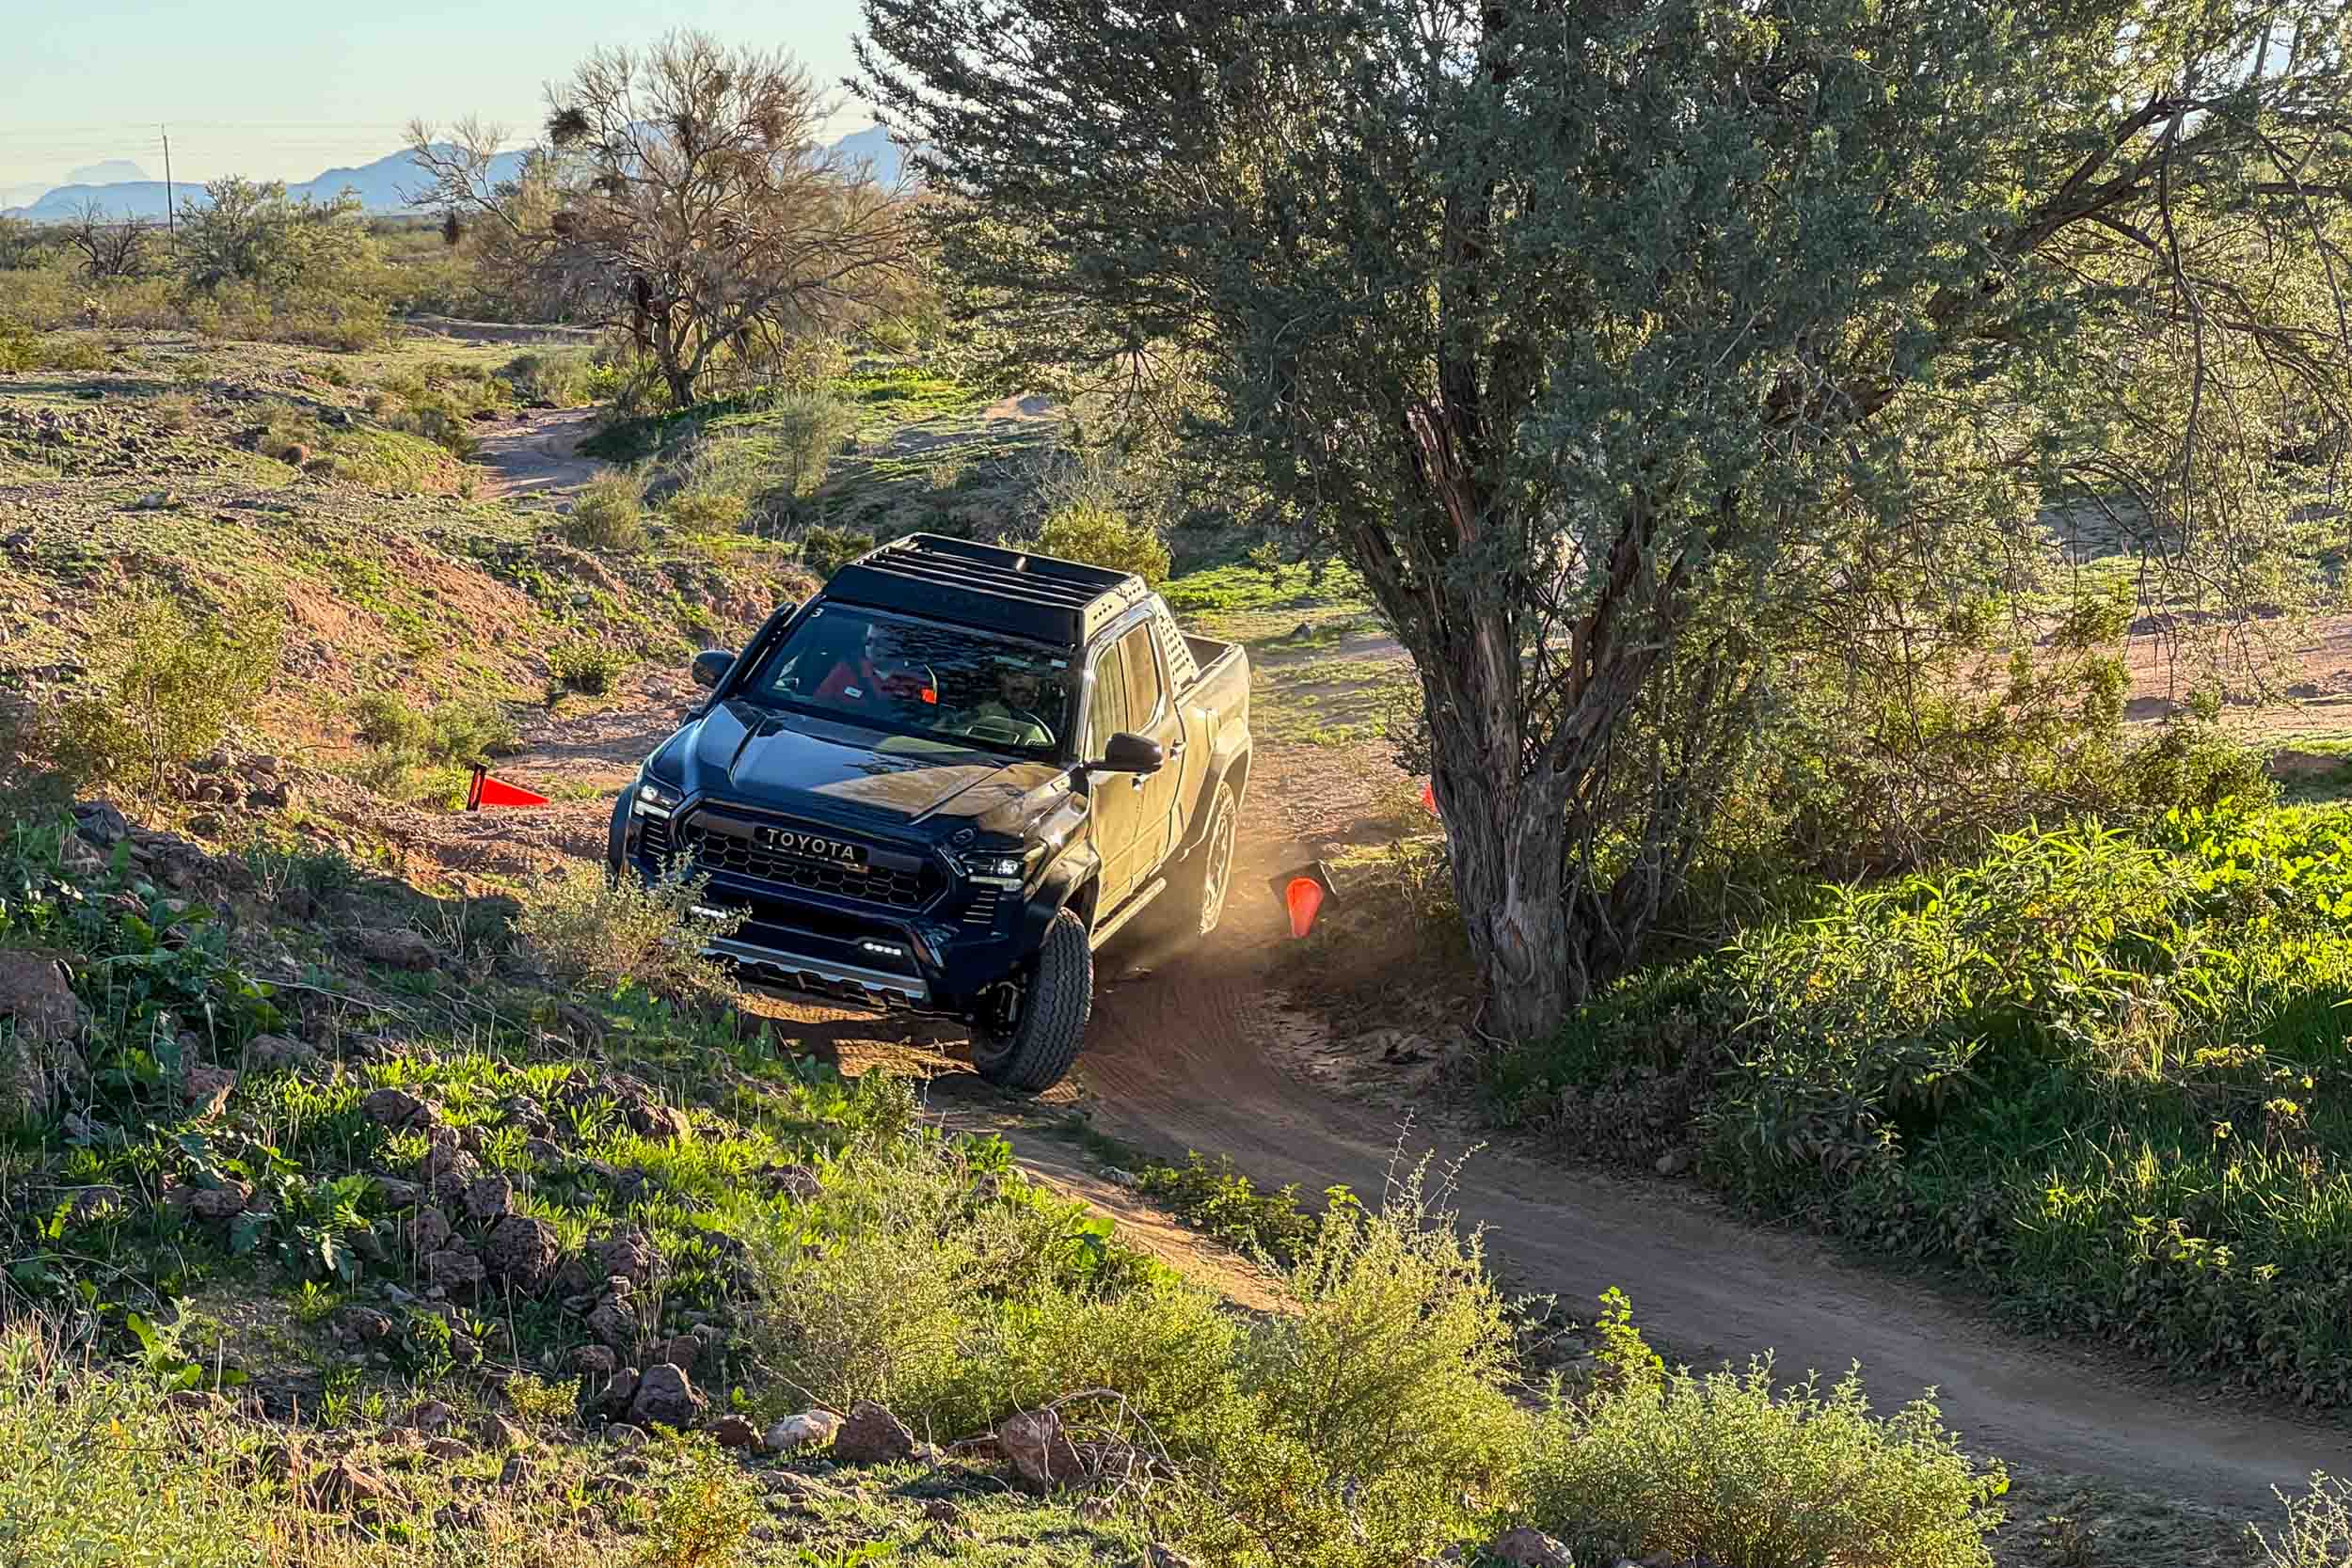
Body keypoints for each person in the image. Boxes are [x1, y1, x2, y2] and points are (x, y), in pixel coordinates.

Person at [965, 664, 1054, 746]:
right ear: (1002, 683)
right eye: (1012, 675)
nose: (1019, 679)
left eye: (1025, 674)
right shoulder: (985, 710)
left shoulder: (1051, 717)